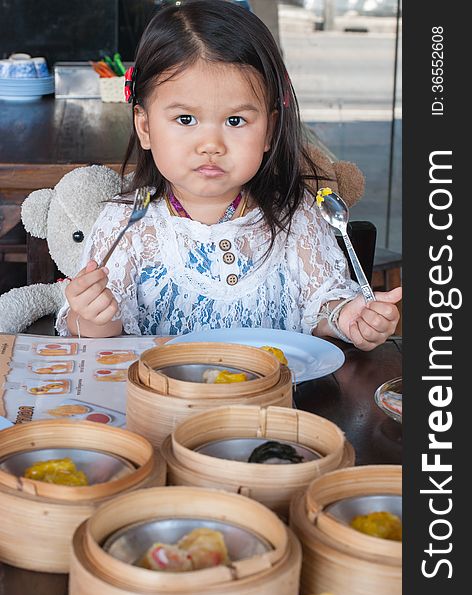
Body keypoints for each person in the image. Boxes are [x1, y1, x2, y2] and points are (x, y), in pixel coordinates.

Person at [57, 0, 401, 351]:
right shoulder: (124, 225)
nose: (211, 144)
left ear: (269, 131)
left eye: (235, 121)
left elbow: (323, 303)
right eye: (185, 119)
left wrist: (348, 316)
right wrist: (91, 316)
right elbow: (96, 337)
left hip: (273, 403)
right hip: (161, 403)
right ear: (144, 127)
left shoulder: (297, 216)